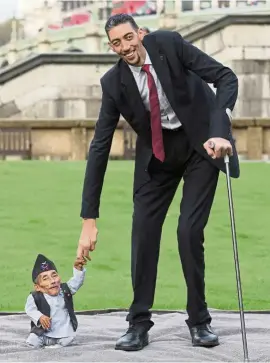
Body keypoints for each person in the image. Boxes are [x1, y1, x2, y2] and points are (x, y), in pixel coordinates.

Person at [77, 13, 239, 351]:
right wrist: (88, 219)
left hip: (201, 145)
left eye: (128, 38)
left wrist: (219, 132)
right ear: (111, 47)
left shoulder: (168, 44)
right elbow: (99, 147)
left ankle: (199, 320)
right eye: (116, 43)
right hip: (159, 157)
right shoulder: (113, 83)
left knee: (188, 232)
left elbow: (225, 77)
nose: (125, 47)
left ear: (141, 33)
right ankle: (138, 323)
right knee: (144, 233)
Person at [25, 254, 87, 348]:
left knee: (69, 338)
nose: (53, 281)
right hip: (44, 333)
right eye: (46, 279)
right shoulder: (35, 297)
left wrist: (78, 269)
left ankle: (57, 346)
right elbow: (30, 309)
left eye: (54, 276)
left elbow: (76, 282)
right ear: (38, 287)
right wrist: (40, 317)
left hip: (63, 332)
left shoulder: (65, 290)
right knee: (33, 340)